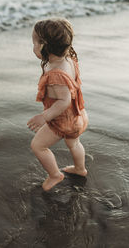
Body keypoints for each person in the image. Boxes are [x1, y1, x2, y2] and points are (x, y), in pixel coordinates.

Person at [27, 18, 89, 191]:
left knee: (38, 146)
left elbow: (64, 101)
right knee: (74, 144)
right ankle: (80, 169)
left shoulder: (55, 74)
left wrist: (44, 117)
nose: (32, 46)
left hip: (63, 120)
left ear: (43, 46)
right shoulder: (68, 59)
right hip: (78, 114)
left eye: (33, 42)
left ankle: (55, 175)